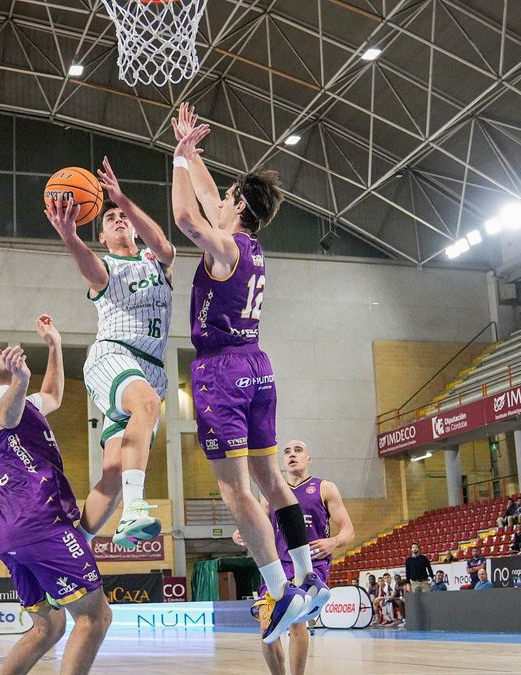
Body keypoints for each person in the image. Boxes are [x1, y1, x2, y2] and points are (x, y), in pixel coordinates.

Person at [169, 101, 317, 643]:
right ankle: (306, 577)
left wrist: (179, 163)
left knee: (236, 491)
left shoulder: (225, 245)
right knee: (272, 481)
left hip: (222, 370)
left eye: (227, 197)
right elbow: (210, 200)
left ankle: (282, 592)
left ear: (237, 208)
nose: (220, 199)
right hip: (258, 362)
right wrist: (187, 149)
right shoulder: (250, 244)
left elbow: (188, 216)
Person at [0, 303, 111, 675]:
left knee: (48, 627)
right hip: (40, 521)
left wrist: (54, 346)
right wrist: (19, 379)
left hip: (12, 530)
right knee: (95, 618)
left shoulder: (20, 400)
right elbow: (8, 415)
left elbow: (50, 397)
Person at [49, 156, 176, 550]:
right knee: (147, 404)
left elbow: (165, 245)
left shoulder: (156, 261)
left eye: (122, 217)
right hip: (113, 356)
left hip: (152, 368)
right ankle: (135, 509)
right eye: (109, 218)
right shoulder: (104, 265)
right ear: (101, 236)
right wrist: (70, 236)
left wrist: (122, 198)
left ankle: (77, 545)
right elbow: (89, 270)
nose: (118, 219)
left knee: (114, 472)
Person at [233, 439, 355, 675]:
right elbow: (259, 525)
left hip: (310, 562)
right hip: (276, 564)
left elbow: (348, 529)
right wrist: (244, 533)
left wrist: (334, 541)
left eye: (298, 450)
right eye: (287, 451)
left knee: (297, 619)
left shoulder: (325, 488)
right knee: (266, 624)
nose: (292, 455)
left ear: (308, 458)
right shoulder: (270, 494)